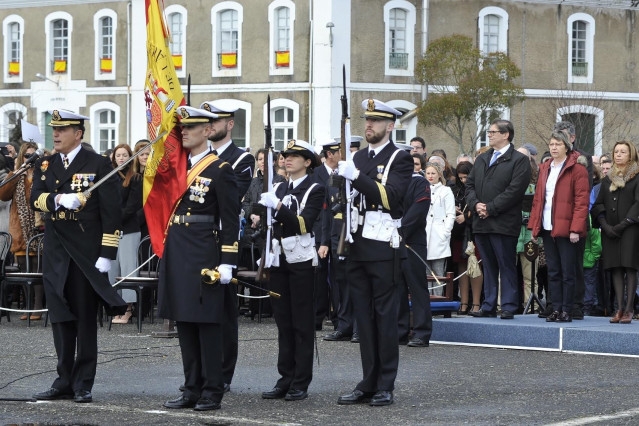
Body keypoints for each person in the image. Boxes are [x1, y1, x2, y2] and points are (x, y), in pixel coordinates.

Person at [30, 109, 126, 403]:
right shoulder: (45, 164)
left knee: (84, 319)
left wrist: (107, 254)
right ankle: (63, 378)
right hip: (57, 249)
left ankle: (83, 382)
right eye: (54, 130)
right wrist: (58, 199)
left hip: (85, 254)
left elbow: (113, 214)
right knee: (60, 317)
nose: (55, 135)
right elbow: (36, 198)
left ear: (78, 134)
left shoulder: (98, 164)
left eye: (62, 130)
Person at [159, 105, 239, 411]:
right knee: (185, 322)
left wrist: (228, 260)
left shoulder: (221, 170)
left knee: (206, 323)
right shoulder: (176, 168)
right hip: (178, 248)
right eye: (183, 127)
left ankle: (211, 389)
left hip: (205, 250)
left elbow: (231, 220)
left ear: (208, 131)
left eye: (191, 127)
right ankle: (191, 387)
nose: (185, 131)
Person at [336, 99, 412, 407]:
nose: (369, 125)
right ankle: (367, 381)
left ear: (390, 126)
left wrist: (355, 177)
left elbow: (391, 197)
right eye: (367, 120)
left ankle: (385, 384)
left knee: (384, 317)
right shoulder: (361, 157)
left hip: (382, 245)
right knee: (363, 320)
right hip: (357, 244)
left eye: (377, 121)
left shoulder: (400, 158)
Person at [258, 139, 324, 402]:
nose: (288, 159)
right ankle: (285, 377)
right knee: (283, 323)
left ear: (307, 162)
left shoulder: (314, 188)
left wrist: (277, 206)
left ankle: (301, 381)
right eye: (286, 155)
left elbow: (303, 224)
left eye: (295, 156)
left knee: (302, 323)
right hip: (279, 261)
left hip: (301, 262)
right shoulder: (280, 187)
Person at [199, 99, 255, 392]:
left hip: (223, 239)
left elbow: (230, 200)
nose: (210, 126)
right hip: (197, 241)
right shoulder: (196, 157)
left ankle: (223, 373)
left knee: (222, 311)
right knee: (197, 307)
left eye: (216, 121)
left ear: (230, 124)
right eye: (207, 121)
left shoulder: (241, 159)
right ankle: (201, 373)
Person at [466, 119, 531, 320]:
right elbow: (469, 185)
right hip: (482, 221)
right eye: (489, 131)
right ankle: (489, 304)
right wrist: (476, 204)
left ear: (506, 135)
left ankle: (509, 305)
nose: (490, 134)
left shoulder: (518, 160)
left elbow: (514, 190)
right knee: (488, 264)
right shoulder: (483, 158)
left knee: (506, 264)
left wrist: (491, 208)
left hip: (503, 222)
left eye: (494, 131)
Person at [527, 131, 589, 322]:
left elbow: (581, 201)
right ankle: (555, 307)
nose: (554, 148)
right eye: (551, 144)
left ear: (567, 147)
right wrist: (535, 228)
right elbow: (538, 200)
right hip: (547, 226)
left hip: (567, 228)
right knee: (553, 270)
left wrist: (575, 229)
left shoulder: (577, 169)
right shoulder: (545, 167)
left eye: (558, 144)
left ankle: (567, 310)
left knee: (567, 272)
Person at [592, 141, 639, 324]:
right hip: (609, 230)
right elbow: (598, 205)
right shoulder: (607, 179)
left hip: (630, 228)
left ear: (631, 154)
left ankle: (629, 309)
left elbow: (637, 204)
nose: (618, 154)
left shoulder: (636, 177)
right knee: (615, 268)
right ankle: (618, 308)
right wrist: (605, 225)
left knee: (630, 267)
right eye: (616, 151)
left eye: (623, 152)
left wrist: (622, 225)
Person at [322, 138, 361, 343]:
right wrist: (325, 241)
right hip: (338, 235)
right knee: (341, 283)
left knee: (357, 283)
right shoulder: (334, 179)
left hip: (355, 234)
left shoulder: (359, 180)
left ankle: (358, 327)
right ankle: (344, 325)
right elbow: (327, 212)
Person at [0, 142, 44, 320]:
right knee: (24, 270)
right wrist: (15, 173)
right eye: (27, 155)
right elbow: (3, 195)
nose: (30, 159)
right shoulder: (17, 175)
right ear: (21, 158)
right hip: (20, 230)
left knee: (37, 269)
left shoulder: (43, 175)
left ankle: (37, 307)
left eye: (33, 155)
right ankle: (27, 305)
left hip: (37, 229)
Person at [397, 157, 431, 347]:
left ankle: (421, 332)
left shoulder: (420, 182)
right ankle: (399, 331)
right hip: (391, 241)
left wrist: (400, 230)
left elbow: (418, 210)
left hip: (412, 241)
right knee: (397, 288)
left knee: (417, 287)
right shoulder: (393, 182)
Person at [109, 144, 143, 324]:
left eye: (124, 155)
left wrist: (112, 218)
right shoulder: (108, 178)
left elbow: (132, 206)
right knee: (113, 268)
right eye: (118, 155)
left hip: (128, 228)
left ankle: (128, 307)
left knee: (128, 269)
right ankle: (117, 305)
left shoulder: (135, 178)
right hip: (111, 230)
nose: (121, 158)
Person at [450, 161, 482, 315]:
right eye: (461, 177)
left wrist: (466, 217)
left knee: (474, 268)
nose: (463, 180)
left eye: (466, 177)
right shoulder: (454, 190)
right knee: (461, 268)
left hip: (473, 233)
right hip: (458, 234)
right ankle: (463, 303)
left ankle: (475, 303)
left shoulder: (478, 188)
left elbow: (479, 209)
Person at [424, 162, 455, 293]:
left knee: (438, 271)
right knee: (425, 271)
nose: (430, 176)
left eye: (433, 173)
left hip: (439, 235)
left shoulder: (446, 191)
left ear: (439, 175)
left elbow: (450, 213)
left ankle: (438, 301)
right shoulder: (421, 189)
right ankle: (427, 302)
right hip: (424, 234)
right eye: (428, 173)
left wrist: (445, 232)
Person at [516, 147, 539, 313]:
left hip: (530, 234)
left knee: (530, 275)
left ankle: (532, 305)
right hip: (511, 233)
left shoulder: (537, 185)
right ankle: (504, 305)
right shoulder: (509, 183)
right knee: (506, 274)